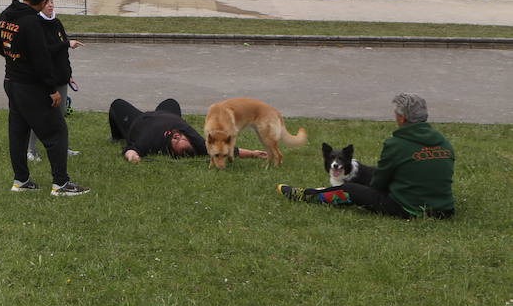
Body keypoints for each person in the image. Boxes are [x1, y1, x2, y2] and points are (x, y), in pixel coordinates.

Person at [278, 93, 455, 218]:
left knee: (350, 189)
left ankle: (308, 195)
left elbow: (378, 184)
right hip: (444, 209)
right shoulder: (444, 142)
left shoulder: (396, 145)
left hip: (410, 209)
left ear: (402, 118)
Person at [0, 0, 89, 197]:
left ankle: (21, 181)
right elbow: (41, 59)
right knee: (57, 131)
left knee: (18, 133)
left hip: (11, 82)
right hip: (30, 86)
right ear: (43, 1)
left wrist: (13, 58)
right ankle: (61, 185)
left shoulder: (6, 15)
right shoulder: (31, 22)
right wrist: (52, 89)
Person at [109, 97, 268, 163]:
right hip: (166, 113)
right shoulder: (194, 140)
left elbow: (130, 150)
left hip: (139, 121)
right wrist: (254, 153)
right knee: (171, 101)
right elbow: (224, 149)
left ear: (170, 148)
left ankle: (116, 136)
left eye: (176, 140)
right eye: (183, 138)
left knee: (117, 104)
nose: (179, 136)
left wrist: (133, 156)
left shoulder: (149, 141)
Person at [27, 0, 84, 163]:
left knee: (60, 117)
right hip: (44, 80)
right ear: (40, 5)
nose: (51, 5)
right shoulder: (36, 25)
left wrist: (68, 74)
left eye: (52, 1)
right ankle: (31, 150)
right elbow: (44, 51)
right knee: (40, 117)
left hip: (61, 79)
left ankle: (62, 148)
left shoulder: (57, 22)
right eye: (47, 2)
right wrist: (67, 43)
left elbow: (62, 53)